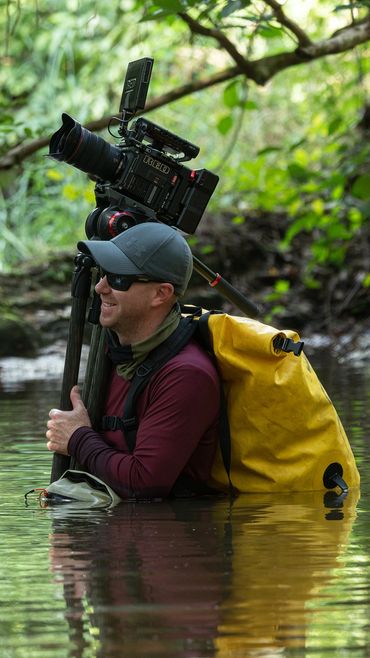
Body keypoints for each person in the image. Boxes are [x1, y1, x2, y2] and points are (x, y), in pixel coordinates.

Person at [46, 221, 221, 499]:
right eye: (103, 273)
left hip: (166, 537)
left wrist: (78, 438)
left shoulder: (187, 375)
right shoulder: (116, 352)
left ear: (160, 294)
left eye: (118, 278)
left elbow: (145, 481)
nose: (101, 287)